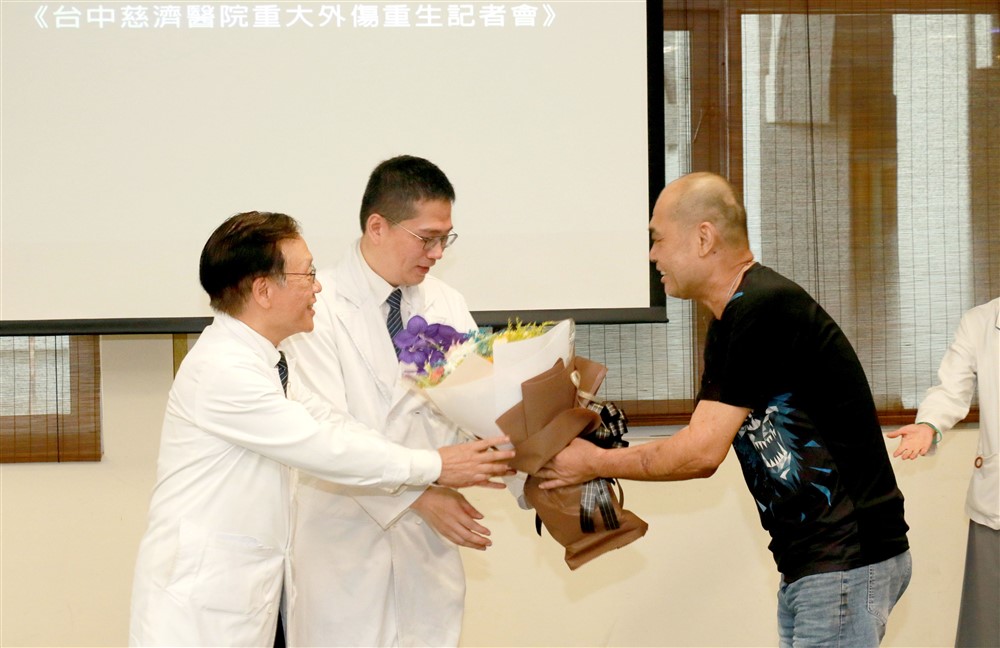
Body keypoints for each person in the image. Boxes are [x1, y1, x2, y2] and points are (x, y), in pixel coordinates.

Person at [537, 172, 912, 647]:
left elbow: (700, 453)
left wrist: (593, 462)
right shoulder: (732, 317)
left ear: (703, 238)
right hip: (816, 564)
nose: (652, 255)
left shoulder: (764, 308)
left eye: (658, 239)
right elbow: (701, 435)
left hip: (845, 558)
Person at [128, 211, 513, 647]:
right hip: (200, 607)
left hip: (243, 599)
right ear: (264, 290)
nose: (318, 286)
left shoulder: (268, 361)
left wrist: (441, 463)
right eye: (307, 274)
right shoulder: (223, 370)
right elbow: (322, 447)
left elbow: (334, 425)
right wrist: (434, 466)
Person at [282, 155, 502, 647]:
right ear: (377, 227)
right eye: (427, 238)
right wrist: (418, 494)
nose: (437, 252)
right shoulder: (317, 306)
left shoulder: (446, 302)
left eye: (446, 238)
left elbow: (480, 411)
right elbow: (325, 436)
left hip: (426, 553)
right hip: (344, 544)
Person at [887, 296, 998, 647]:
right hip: (996, 506)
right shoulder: (981, 321)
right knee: (988, 626)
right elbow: (951, 390)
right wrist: (929, 425)